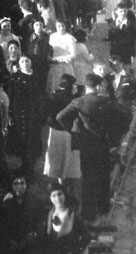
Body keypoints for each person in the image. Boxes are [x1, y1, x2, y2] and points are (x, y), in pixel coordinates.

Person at [57, 73, 129, 222]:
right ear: (97, 86)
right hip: (103, 143)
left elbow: (60, 117)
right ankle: (103, 207)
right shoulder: (107, 102)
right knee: (103, 176)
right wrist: (112, 134)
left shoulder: (79, 102)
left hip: (86, 145)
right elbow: (124, 118)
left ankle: (88, 213)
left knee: (88, 178)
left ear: (87, 86)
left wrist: (73, 131)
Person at [8, 57, 43, 179]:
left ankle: (30, 168)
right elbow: (10, 96)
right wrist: (10, 114)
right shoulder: (15, 77)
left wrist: (40, 113)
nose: (25, 63)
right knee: (21, 139)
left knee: (32, 140)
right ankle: (23, 166)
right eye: (22, 61)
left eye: (27, 61)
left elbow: (41, 96)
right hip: (19, 112)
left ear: (31, 62)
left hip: (33, 112)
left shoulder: (37, 77)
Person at [43, 74, 81, 186]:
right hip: (67, 131)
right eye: (73, 85)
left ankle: (60, 179)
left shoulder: (53, 96)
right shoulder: (72, 99)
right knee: (66, 156)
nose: (75, 87)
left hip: (55, 130)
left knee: (57, 156)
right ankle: (65, 179)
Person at [42, 182, 91, 254]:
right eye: (53, 195)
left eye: (59, 194)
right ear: (50, 198)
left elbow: (87, 237)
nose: (57, 199)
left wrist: (74, 252)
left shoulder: (73, 215)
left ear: (64, 195)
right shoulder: (49, 215)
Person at [2, 171, 44, 254]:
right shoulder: (7, 203)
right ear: (11, 186)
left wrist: (31, 237)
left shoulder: (35, 202)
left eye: (22, 183)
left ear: (26, 185)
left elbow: (39, 222)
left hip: (29, 242)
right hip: (11, 243)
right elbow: (3, 224)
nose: (19, 186)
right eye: (15, 183)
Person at [46, 21, 77, 94]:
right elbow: (50, 50)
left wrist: (59, 59)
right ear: (56, 27)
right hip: (54, 66)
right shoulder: (52, 36)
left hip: (65, 66)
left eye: (63, 26)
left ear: (66, 26)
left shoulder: (70, 38)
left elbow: (73, 55)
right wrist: (50, 57)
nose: (61, 28)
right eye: (59, 26)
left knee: (66, 87)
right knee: (54, 88)